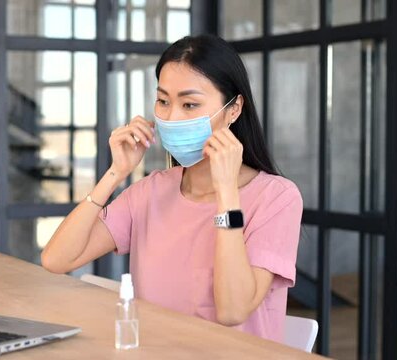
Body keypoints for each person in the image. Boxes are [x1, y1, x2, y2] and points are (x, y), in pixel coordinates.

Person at [41, 34, 303, 343]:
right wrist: (115, 172)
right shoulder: (151, 191)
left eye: (190, 104)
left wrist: (227, 194)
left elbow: (233, 310)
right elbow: (56, 260)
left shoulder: (277, 198)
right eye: (163, 101)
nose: (172, 117)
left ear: (233, 110)